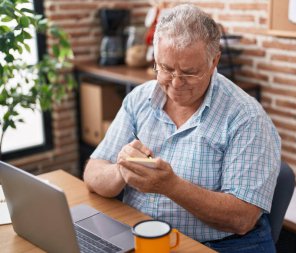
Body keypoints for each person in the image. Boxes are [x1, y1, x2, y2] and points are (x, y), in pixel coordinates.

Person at [83, 4, 281, 252]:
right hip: (146, 237)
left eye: (190, 72)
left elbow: (242, 219)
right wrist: (123, 171)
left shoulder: (247, 118)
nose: (176, 83)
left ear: (214, 61)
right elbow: (93, 173)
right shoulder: (139, 99)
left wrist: (170, 186)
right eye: (165, 68)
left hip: (222, 245)